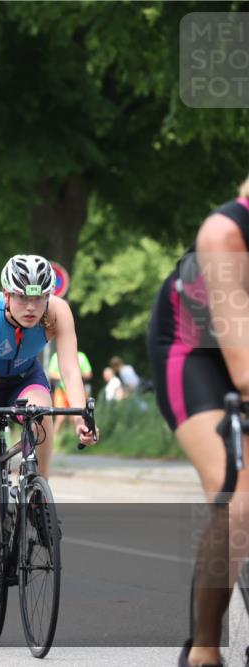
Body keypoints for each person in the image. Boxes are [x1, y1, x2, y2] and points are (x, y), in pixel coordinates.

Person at [0, 254, 98, 624]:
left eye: (39, 297)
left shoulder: (58, 312)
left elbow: (68, 367)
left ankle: (37, 494)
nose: (32, 307)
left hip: (25, 380)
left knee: (41, 416)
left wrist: (82, 414)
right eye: (22, 297)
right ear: (7, 293)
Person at [147, 178, 249, 667]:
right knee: (238, 498)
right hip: (195, 352)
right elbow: (245, 373)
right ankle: (204, 648)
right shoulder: (226, 232)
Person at [48, 350, 93, 433]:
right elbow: (51, 373)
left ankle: (71, 438)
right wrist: (66, 376)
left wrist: (77, 375)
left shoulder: (81, 356)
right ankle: (55, 438)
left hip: (75, 391)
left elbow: (89, 373)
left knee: (74, 418)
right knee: (60, 418)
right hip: (61, 391)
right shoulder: (56, 356)